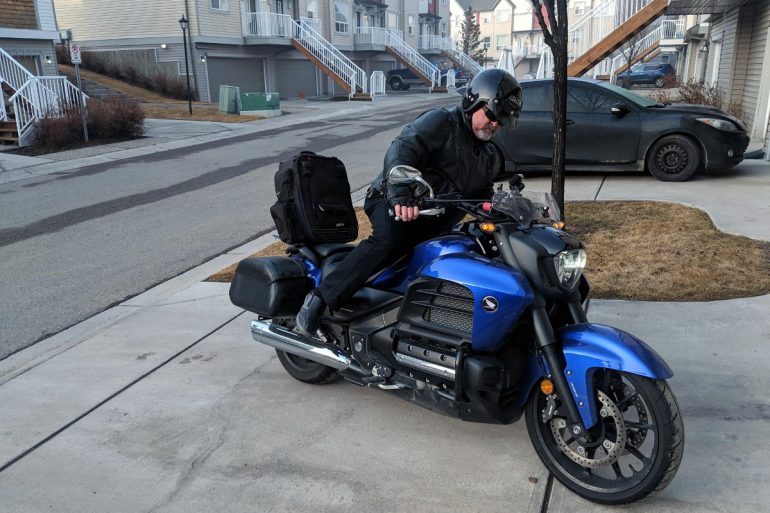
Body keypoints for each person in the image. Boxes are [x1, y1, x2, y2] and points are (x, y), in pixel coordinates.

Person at [296, 68, 523, 337]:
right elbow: (402, 149)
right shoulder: (441, 122)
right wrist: (401, 193)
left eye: (501, 121)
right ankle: (320, 300)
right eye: (492, 115)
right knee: (389, 242)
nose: (495, 124)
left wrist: (504, 209)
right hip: (391, 199)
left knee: (456, 252)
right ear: (474, 102)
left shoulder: (486, 153)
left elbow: (482, 194)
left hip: (435, 215)